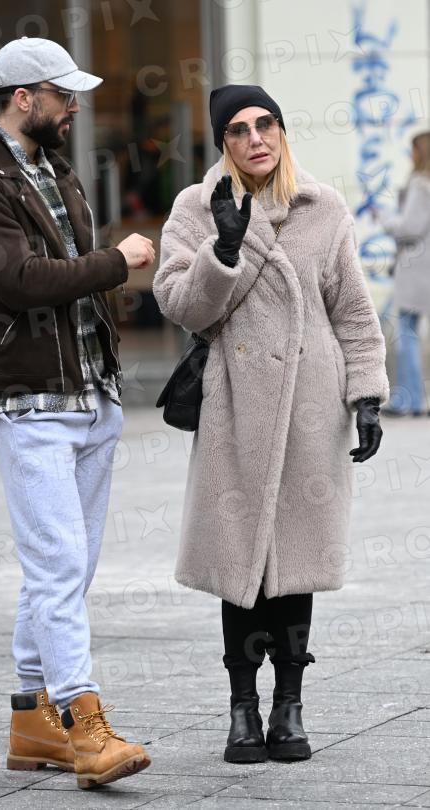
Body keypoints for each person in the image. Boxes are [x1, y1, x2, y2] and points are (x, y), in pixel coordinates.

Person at [153, 85, 389, 764]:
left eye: (266, 124)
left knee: (295, 565)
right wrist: (223, 250)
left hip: (313, 405)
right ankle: (242, 709)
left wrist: (367, 395)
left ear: (282, 131)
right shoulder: (197, 207)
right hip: (237, 406)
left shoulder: (324, 206)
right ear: (222, 143)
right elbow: (180, 305)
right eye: (238, 130)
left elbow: (352, 309)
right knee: (243, 565)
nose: (255, 138)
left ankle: (289, 705)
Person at [0, 37, 154, 789]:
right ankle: (83, 721)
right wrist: (117, 263)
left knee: (66, 568)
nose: (74, 107)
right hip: (26, 398)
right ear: (23, 97)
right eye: (63, 95)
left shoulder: (55, 168)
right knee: (59, 563)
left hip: (88, 392)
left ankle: (32, 720)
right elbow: (24, 281)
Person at [372, 132, 430, 416]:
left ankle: (411, 401)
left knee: (405, 332)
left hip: (416, 269)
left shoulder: (420, 184)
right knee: (407, 330)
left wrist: (384, 218)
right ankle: (414, 400)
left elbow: (409, 228)